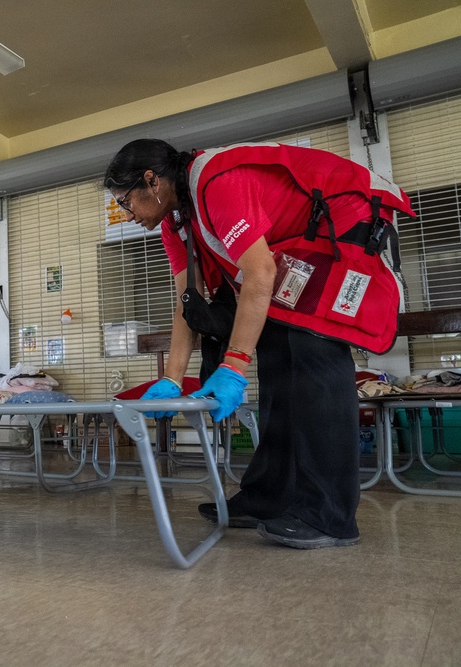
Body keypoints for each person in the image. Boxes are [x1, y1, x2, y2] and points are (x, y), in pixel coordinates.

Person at [103, 139, 413, 549]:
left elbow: (260, 272)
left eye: (126, 203)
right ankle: (269, 496)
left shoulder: (216, 183)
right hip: (295, 247)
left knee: (313, 351)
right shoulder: (175, 222)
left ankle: (329, 515)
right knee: (277, 359)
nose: (126, 216)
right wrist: (173, 379)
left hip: (342, 223)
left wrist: (232, 364)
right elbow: (186, 299)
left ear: (151, 181)